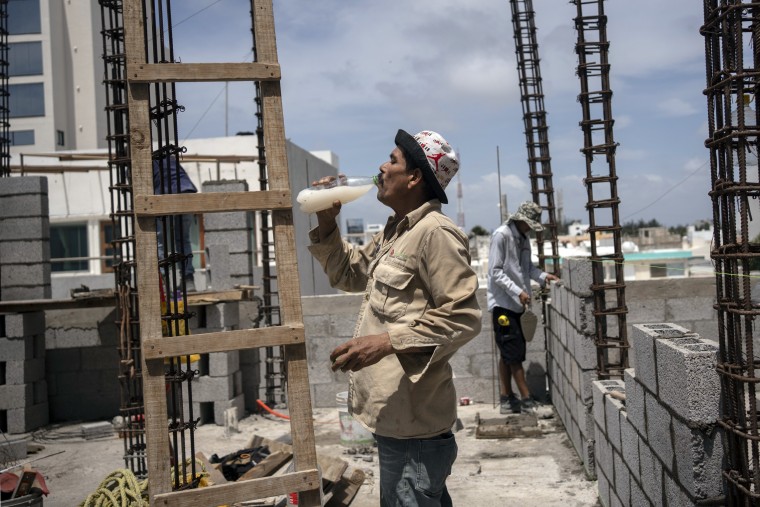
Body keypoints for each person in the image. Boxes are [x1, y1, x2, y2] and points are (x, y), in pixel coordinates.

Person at [307, 129, 482, 506]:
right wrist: (326, 223)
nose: (382, 168)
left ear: (415, 177)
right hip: (398, 420)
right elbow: (349, 274)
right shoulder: (397, 231)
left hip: (414, 429)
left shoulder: (436, 233)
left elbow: (464, 316)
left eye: (393, 160)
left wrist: (386, 342)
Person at [487, 201, 559, 414]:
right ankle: (526, 400)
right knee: (514, 354)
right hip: (503, 305)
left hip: (517, 305)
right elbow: (496, 272)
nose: (530, 228)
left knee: (507, 353)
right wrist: (517, 291)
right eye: (529, 224)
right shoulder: (502, 236)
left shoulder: (523, 239)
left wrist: (545, 277)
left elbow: (527, 269)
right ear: (520, 220)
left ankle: (506, 398)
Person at [153, 156, 197, 292]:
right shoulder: (168, 158)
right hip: (187, 194)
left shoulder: (142, 162)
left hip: (166, 196)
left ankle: (164, 282)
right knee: (183, 239)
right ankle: (188, 280)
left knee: (157, 240)